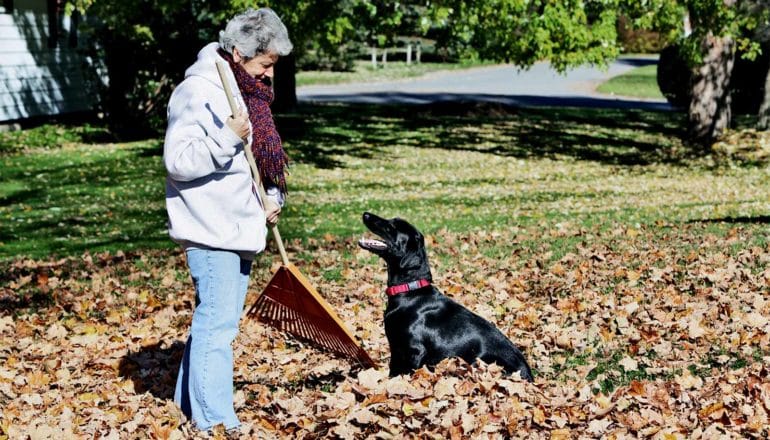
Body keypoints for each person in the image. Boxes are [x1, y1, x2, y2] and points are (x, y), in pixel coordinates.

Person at [162, 7, 292, 432]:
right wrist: (224, 137)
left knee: (215, 324)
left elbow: (253, 163)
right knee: (217, 328)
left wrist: (270, 197)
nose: (270, 74)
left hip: (240, 227)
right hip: (209, 228)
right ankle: (215, 421)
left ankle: (188, 406)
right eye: (265, 63)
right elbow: (178, 162)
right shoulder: (198, 89)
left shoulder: (247, 94)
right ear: (239, 52)